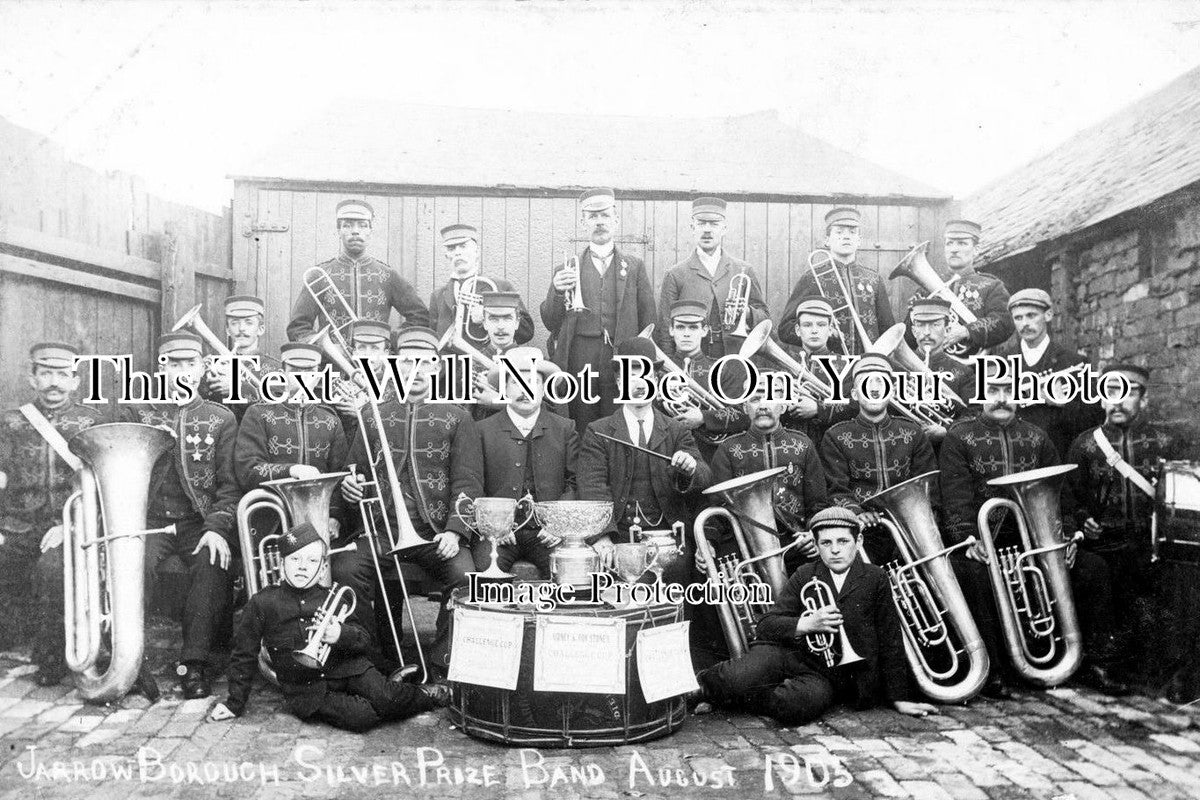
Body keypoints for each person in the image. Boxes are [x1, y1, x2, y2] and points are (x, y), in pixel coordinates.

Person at [940, 373, 1128, 696]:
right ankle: (994, 671)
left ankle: (1096, 664)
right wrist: (968, 539)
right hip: (985, 542)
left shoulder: (1038, 437)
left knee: (1092, 569)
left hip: (1036, 541)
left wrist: (1070, 535)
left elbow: (1063, 496)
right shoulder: (960, 437)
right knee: (972, 575)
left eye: (1007, 390)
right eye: (992, 390)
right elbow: (955, 496)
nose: (1000, 397)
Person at [693, 506, 935, 724]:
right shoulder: (805, 573)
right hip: (786, 654)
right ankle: (698, 686)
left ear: (858, 541)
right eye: (827, 543)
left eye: (843, 541)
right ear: (817, 546)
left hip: (825, 675)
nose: (836, 550)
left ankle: (740, 698)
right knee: (736, 676)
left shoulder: (876, 578)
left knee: (794, 707)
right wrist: (805, 623)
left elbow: (891, 639)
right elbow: (766, 625)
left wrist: (899, 698)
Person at [209, 522, 450, 730]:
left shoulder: (334, 597)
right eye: (295, 559)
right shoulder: (262, 603)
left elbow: (363, 639)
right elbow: (243, 655)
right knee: (362, 717)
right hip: (309, 690)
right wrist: (234, 703)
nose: (302, 566)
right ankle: (392, 694)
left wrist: (341, 634)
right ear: (281, 565)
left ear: (323, 567)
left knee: (385, 698)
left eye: (312, 560)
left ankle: (426, 695)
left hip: (350, 669)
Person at [340, 326, 482, 678]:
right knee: (345, 570)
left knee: (466, 578)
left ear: (437, 368)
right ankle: (375, 659)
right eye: (407, 362)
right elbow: (353, 468)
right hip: (381, 530)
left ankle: (440, 662)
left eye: (424, 363)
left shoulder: (457, 416)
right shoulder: (372, 413)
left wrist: (455, 531)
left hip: (435, 533)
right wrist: (351, 485)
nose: (415, 371)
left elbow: (468, 482)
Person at [122, 332, 241, 700]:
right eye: (174, 364)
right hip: (149, 521)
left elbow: (230, 486)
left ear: (203, 368)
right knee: (131, 563)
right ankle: (132, 663)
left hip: (198, 522)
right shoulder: (137, 412)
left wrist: (218, 527)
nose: (183, 372)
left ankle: (194, 665)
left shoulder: (221, 419)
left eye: (190, 363)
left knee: (212, 561)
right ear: (162, 368)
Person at [691, 374, 830, 668]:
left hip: (796, 547)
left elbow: (819, 504)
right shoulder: (728, 449)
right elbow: (716, 509)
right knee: (713, 587)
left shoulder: (803, 445)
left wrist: (813, 536)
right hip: (744, 551)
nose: (763, 405)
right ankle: (739, 664)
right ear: (744, 407)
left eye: (771, 397)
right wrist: (707, 549)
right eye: (755, 399)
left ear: (783, 405)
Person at [1064, 363, 1184, 691]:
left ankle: (1171, 671)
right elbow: (1069, 497)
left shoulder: (1165, 441)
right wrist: (1080, 518)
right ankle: (1102, 665)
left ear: (1143, 400)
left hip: (1152, 544)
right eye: (1109, 392)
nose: (1117, 401)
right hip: (1105, 546)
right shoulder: (1085, 444)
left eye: (1127, 392)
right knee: (1099, 580)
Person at [1, 343, 109, 686]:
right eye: (45, 373)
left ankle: (51, 660)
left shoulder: (92, 422)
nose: (54, 383)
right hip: (15, 525)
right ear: (32, 378)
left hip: (68, 528)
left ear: (76, 381)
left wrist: (71, 527)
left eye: (62, 374)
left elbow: (101, 486)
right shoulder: (10, 422)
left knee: (54, 570)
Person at [577, 337, 711, 582]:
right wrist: (603, 537)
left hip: (669, 538)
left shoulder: (675, 430)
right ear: (619, 383)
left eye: (646, 376)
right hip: (619, 539)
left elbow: (704, 477)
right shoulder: (599, 431)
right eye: (631, 376)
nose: (640, 384)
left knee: (682, 584)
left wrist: (690, 468)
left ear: (656, 382)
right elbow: (592, 487)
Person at [540, 188, 656, 432]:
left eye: (604, 215)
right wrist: (558, 291)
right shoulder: (567, 268)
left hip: (622, 357)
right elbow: (550, 321)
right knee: (583, 419)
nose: (600, 222)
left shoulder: (634, 267)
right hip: (581, 355)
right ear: (584, 223)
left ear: (615, 220)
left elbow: (649, 321)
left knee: (621, 420)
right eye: (593, 217)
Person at [819, 354, 937, 566]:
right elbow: (836, 490)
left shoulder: (913, 432)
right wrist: (857, 513)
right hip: (864, 534)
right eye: (865, 383)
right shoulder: (835, 436)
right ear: (854, 393)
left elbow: (929, 488)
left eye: (880, 382)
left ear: (891, 390)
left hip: (913, 530)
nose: (873, 389)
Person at [472, 347, 578, 578]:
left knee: (569, 576)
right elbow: (473, 483)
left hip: (548, 533)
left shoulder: (564, 428)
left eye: (533, 382)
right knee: (484, 576)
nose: (525, 390)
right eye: (516, 383)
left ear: (544, 389)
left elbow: (573, 481)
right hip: (498, 536)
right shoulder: (482, 431)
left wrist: (559, 526)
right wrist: (494, 524)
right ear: (504, 389)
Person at [287, 199, 430, 342]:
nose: (355, 231)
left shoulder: (387, 275)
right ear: (338, 231)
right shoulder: (319, 275)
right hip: (330, 362)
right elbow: (298, 327)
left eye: (362, 226)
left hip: (374, 361)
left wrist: (386, 340)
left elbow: (420, 318)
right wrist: (326, 348)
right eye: (347, 226)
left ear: (370, 231)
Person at [654, 197, 770, 358]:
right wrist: (671, 368)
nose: (707, 230)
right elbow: (666, 329)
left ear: (724, 229)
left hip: (736, 357)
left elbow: (765, 318)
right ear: (692, 227)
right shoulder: (675, 274)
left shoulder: (744, 270)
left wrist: (748, 312)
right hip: (692, 360)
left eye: (714, 224)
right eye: (701, 223)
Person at [991, 288, 1102, 456]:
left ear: (1048, 315)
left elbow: (1093, 421)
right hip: (1014, 457)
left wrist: (1063, 403)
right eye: (1018, 318)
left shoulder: (1074, 362)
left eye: (1031, 315)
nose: (1024, 323)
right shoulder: (1000, 363)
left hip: (1059, 457)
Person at [779, 207, 895, 355]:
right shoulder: (812, 278)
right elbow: (785, 328)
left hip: (868, 364)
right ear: (827, 240)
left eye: (852, 232)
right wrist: (823, 336)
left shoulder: (874, 279)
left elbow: (888, 330)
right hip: (827, 363)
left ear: (859, 240)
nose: (846, 237)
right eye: (839, 232)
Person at [656, 298, 749, 463]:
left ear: (705, 330)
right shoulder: (657, 372)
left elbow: (742, 416)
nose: (686, 333)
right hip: (667, 453)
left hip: (710, 455)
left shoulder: (722, 369)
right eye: (680, 327)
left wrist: (703, 417)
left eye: (693, 327)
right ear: (671, 330)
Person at [428, 223, 533, 344]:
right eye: (451, 248)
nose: (457, 253)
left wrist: (488, 316)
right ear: (446, 255)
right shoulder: (437, 296)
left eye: (463, 246)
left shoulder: (501, 286)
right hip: (450, 361)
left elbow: (527, 332)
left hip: (487, 359)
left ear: (477, 252)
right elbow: (434, 339)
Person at [776, 296, 856, 444]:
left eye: (821, 325)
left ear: (830, 329)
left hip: (830, 444)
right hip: (791, 443)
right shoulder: (784, 364)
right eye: (807, 325)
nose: (814, 331)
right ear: (797, 330)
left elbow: (854, 406)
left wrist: (818, 408)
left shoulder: (845, 365)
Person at [930, 219, 1014, 356]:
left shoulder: (992, 286)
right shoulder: (927, 290)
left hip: (975, 370)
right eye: (949, 243)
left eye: (962, 243)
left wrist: (966, 331)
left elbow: (1004, 322)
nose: (954, 249)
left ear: (976, 249)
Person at [905, 295, 975, 445]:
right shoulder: (898, 368)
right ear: (913, 330)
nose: (926, 332)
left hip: (946, 450)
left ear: (947, 330)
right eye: (920, 325)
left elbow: (974, 415)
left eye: (935, 325)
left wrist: (947, 430)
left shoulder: (963, 373)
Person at [200, 294, 278, 422]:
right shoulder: (215, 363)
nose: (241, 329)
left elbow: (278, 411)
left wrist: (238, 388)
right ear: (227, 330)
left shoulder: (275, 369)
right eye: (234, 323)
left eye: (249, 323)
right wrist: (201, 375)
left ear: (260, 329)